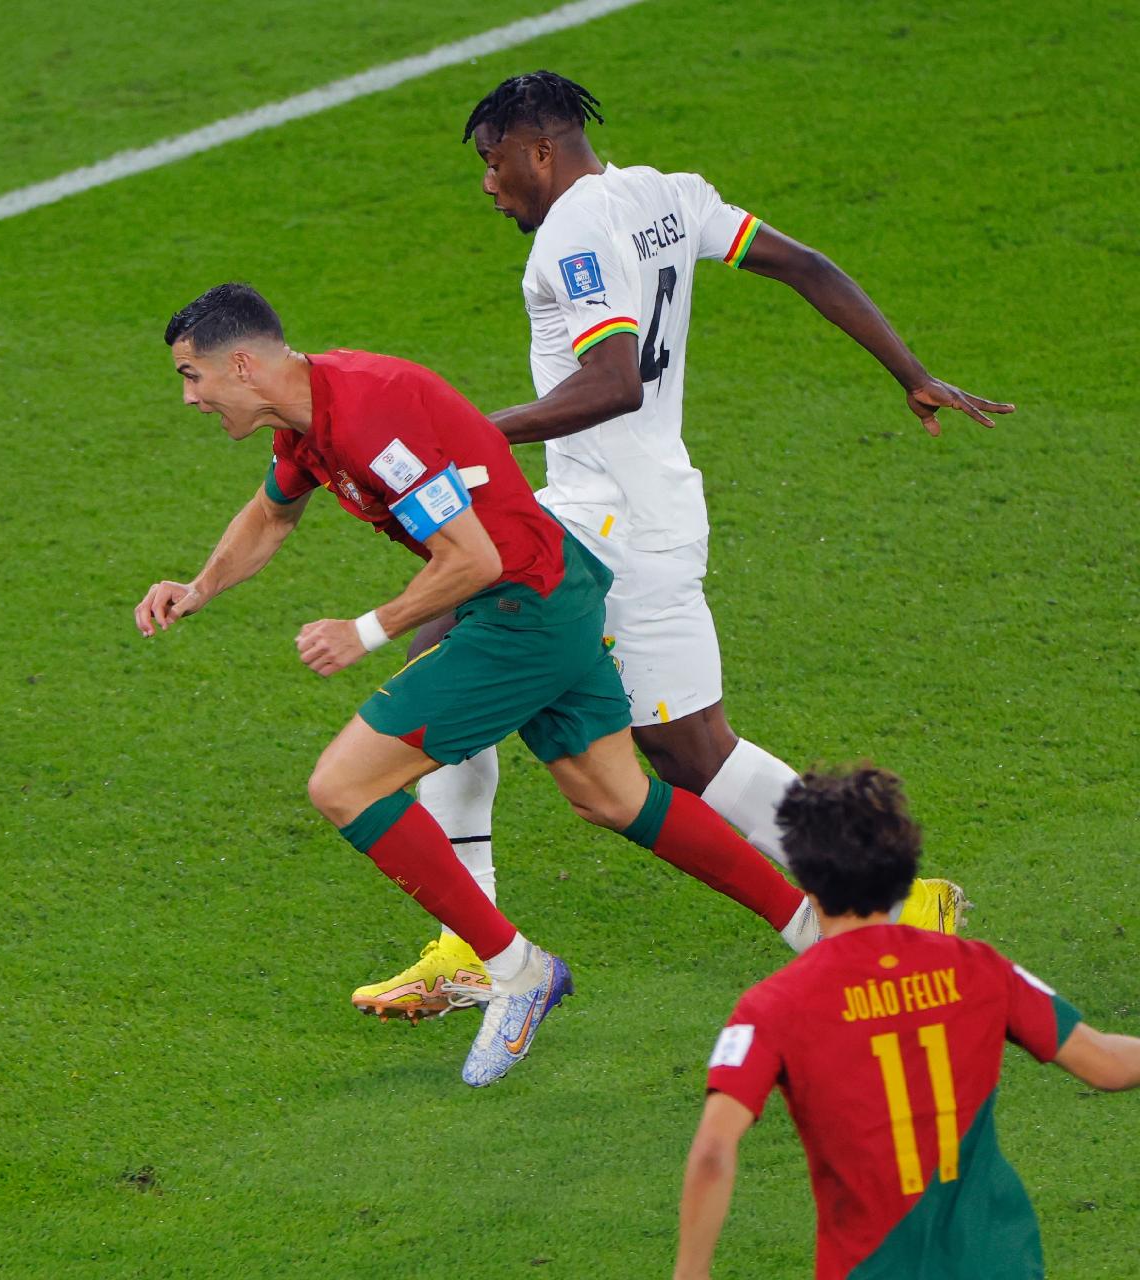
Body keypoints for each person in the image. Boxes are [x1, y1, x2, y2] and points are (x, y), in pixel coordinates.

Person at [351, 71, 1005, 1020]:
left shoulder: (571, 236)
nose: (490, 187)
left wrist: (474, 439)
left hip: (602, 524)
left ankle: (471, 945)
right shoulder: (669, 194)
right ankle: (906, 903)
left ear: (540, 149)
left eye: (495, 165)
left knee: (449, 659)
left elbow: (613, 380)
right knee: (691, 751)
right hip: (652, 512)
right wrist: (911, 371)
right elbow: (808, 265)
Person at [136, 283, 826, 1087]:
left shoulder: (367, 419)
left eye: (193, 376)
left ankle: (515, 970)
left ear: (243, 365)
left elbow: (473, 559)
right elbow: (271, 514)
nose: (190, 397)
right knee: (614, 796)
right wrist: (198, 588)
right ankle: (815, 930)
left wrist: (362, 631)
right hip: (551, 590)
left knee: (343, 785)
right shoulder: (308, 416)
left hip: (519, 609)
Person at [674, 765, 1140, 1279]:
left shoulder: (773, 1006)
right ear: (903, 871)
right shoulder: (979, 968)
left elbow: (715, 1149)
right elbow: (1107, 1065)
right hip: (998, 1264)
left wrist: (691, 1272)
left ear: (805, 876)